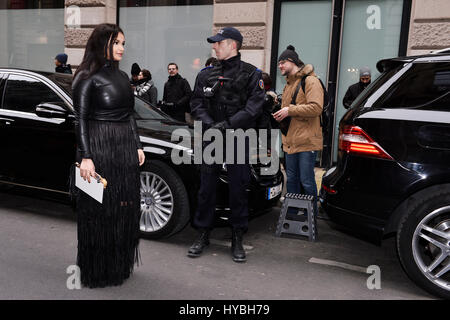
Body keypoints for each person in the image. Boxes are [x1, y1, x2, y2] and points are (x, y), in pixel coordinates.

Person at [72, 23, 145, 288]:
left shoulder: (123, 76)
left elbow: (129, 114)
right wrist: (86, 156)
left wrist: (137, 145)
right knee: (98, 212)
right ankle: (97, 270)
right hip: (99, 149)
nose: (122, 48)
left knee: (123, 209)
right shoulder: (85, 76)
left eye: (123, 43)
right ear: (102, 43)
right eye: (116, 43)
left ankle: (118, 265)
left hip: (124, 150)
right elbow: (79, 119)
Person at [189, 27, 265, 263]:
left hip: (238, 138)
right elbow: (196, 104)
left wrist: (228, 125)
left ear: (233, 45)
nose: (214, 46)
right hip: (211, 138)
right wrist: (212, 125)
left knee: (238, 189)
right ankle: (203, 233)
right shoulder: (205, 75)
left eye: (218, 43)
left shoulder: (252, 75)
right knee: (206, 188)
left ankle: (237, 237)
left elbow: (253, 108)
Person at [272, 45, 323, 212]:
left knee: (306, 181)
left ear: (292, 62)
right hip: (290, 142)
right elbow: (290, 111)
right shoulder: (288, 85)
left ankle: (311, 217)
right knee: (292, 180)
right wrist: (278, 107)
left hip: (307, 141)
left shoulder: (310, 81)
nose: (279, 66)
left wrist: (289, 110)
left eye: (282, 62)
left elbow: (316, 107)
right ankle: (292, 215)